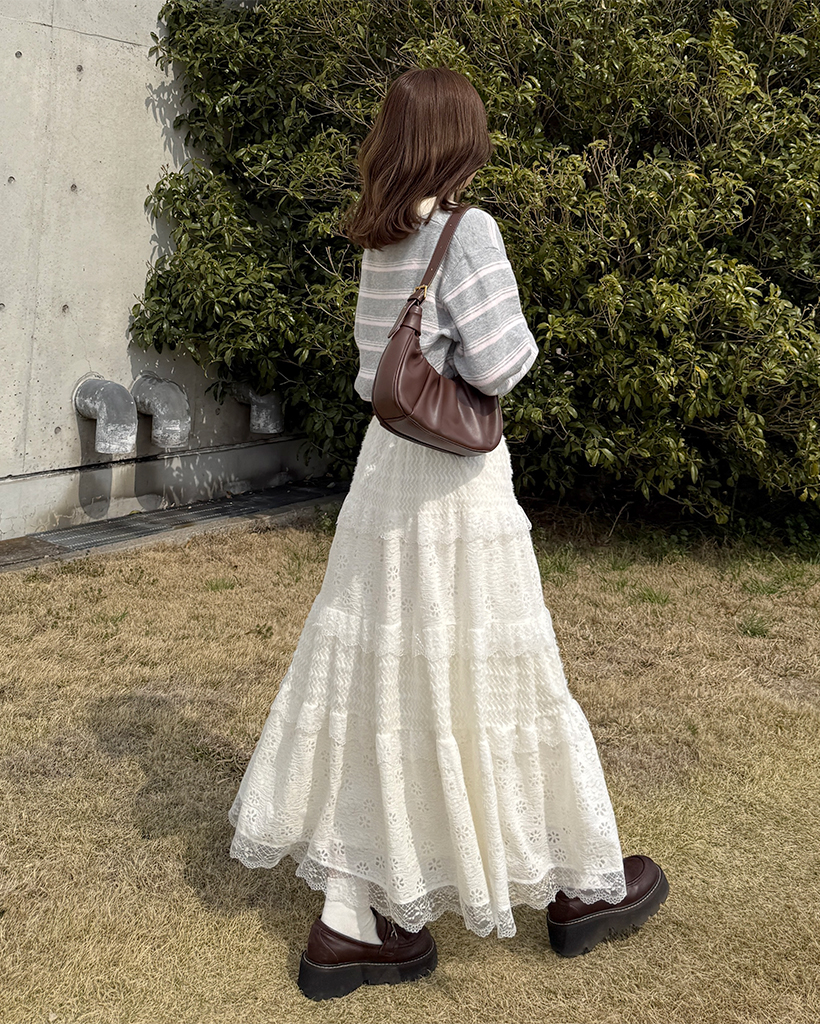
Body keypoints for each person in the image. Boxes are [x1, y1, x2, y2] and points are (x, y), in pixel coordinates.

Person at [228, 66, 668, 1002]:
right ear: (459, 140)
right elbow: (503, 366)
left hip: (385, 478)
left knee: (386, 678)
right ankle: (579, 884)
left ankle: (353, 919)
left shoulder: (381, 237)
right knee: (497, 672)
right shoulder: (469, 232)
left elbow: (372, 373)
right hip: (455, 490)